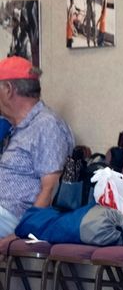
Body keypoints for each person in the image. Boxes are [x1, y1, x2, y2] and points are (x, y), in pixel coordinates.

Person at [0, 56, 75, 257]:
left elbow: (51, 189)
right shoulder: (11, 127)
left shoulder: (46, 125)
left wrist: (20, 232)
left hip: (16, 216)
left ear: (8, 89)